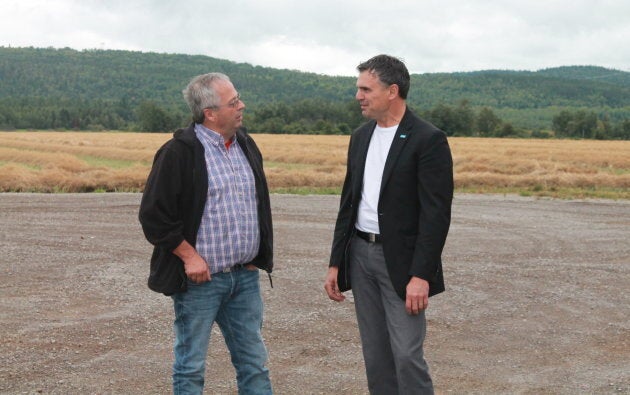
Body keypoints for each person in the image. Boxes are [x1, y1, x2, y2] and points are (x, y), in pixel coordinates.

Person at [324, 55, 454, 394]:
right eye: (358, 89)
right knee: (376, 355)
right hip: (360, 256)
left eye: (366, 89)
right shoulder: (361, 136)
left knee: (407, 354)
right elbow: (348, 202)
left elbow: (436, 215)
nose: (359, 96)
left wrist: (421, 275)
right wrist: (336, 261)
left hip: (402, 264)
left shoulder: (428, 139)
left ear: (392, 91)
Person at [139, 72, 274, 395]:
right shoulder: (178, 152)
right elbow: (154, 216)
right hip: (201, 281)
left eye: (238, 98)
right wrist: (189, 257)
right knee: (191, 367)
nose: (242, 106)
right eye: (233, 102)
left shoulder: (245, 144)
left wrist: (257, 255)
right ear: (210, 113)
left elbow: (257, 204)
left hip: (244, 279)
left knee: (254, 364)